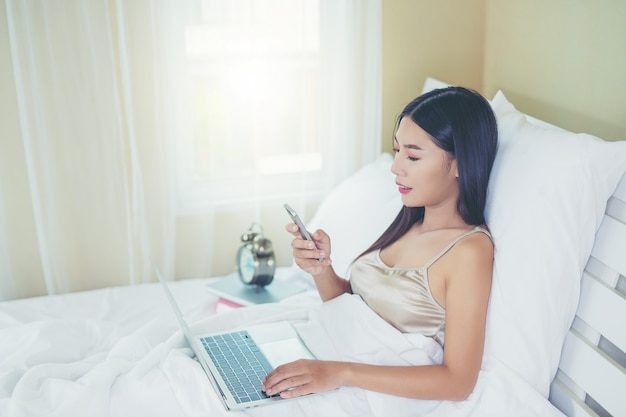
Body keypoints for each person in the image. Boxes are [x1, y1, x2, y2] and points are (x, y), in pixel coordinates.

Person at [262, 86, 498, 401]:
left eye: (412, 155)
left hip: (366, 390)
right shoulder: (410, 223)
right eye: (397, 150)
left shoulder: (469, 251)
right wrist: (321, 269)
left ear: (460, 163)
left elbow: (457, 381)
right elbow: (354, 308)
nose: (396, 166)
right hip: (325, 351)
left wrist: (340, 372)